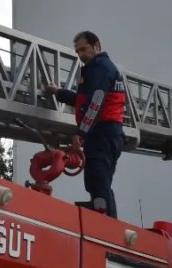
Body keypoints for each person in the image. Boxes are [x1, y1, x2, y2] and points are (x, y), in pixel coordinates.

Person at [46, 31, 126, 218]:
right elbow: (84, 100)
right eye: (78, 51)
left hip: (102, 133)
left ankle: (105, 222)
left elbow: (95, 103)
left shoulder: (99, 68)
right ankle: (105, 217)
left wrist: (81, 133)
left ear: (97, 45)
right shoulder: (100, 68)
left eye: (84, 49)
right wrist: (59, 92)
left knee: (97, 180)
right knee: (99, 181)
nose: (81, 55)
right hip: (108, 133)